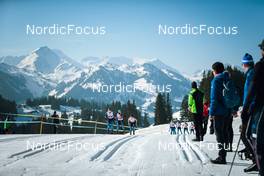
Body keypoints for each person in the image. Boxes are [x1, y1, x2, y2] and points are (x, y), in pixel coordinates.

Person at [243, 40, 264, 175]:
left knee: (257, 140)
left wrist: (246, 110)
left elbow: (252, 90)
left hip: (260, 109)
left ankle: (260, 166)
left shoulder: (260, 66)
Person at [239, 53, 257, 172]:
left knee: (246, 135)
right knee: (248, 135)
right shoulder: (252, 73)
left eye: (242, 64)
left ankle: (256, 161)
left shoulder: (251, 75)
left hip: (251, 109)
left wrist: (247, 109)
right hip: (251, 108)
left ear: (245, 64)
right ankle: (256, 160)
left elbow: (251, 94)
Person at [209, 62, 229, 164]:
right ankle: (224, 153)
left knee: (219, 134)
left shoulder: (216, 80)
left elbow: (214, 99)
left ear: (214, 70)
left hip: (218, 112)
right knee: (225, 133)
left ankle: (222, 157)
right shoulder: (226, 78)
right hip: (227, 110)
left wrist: (211, 113)